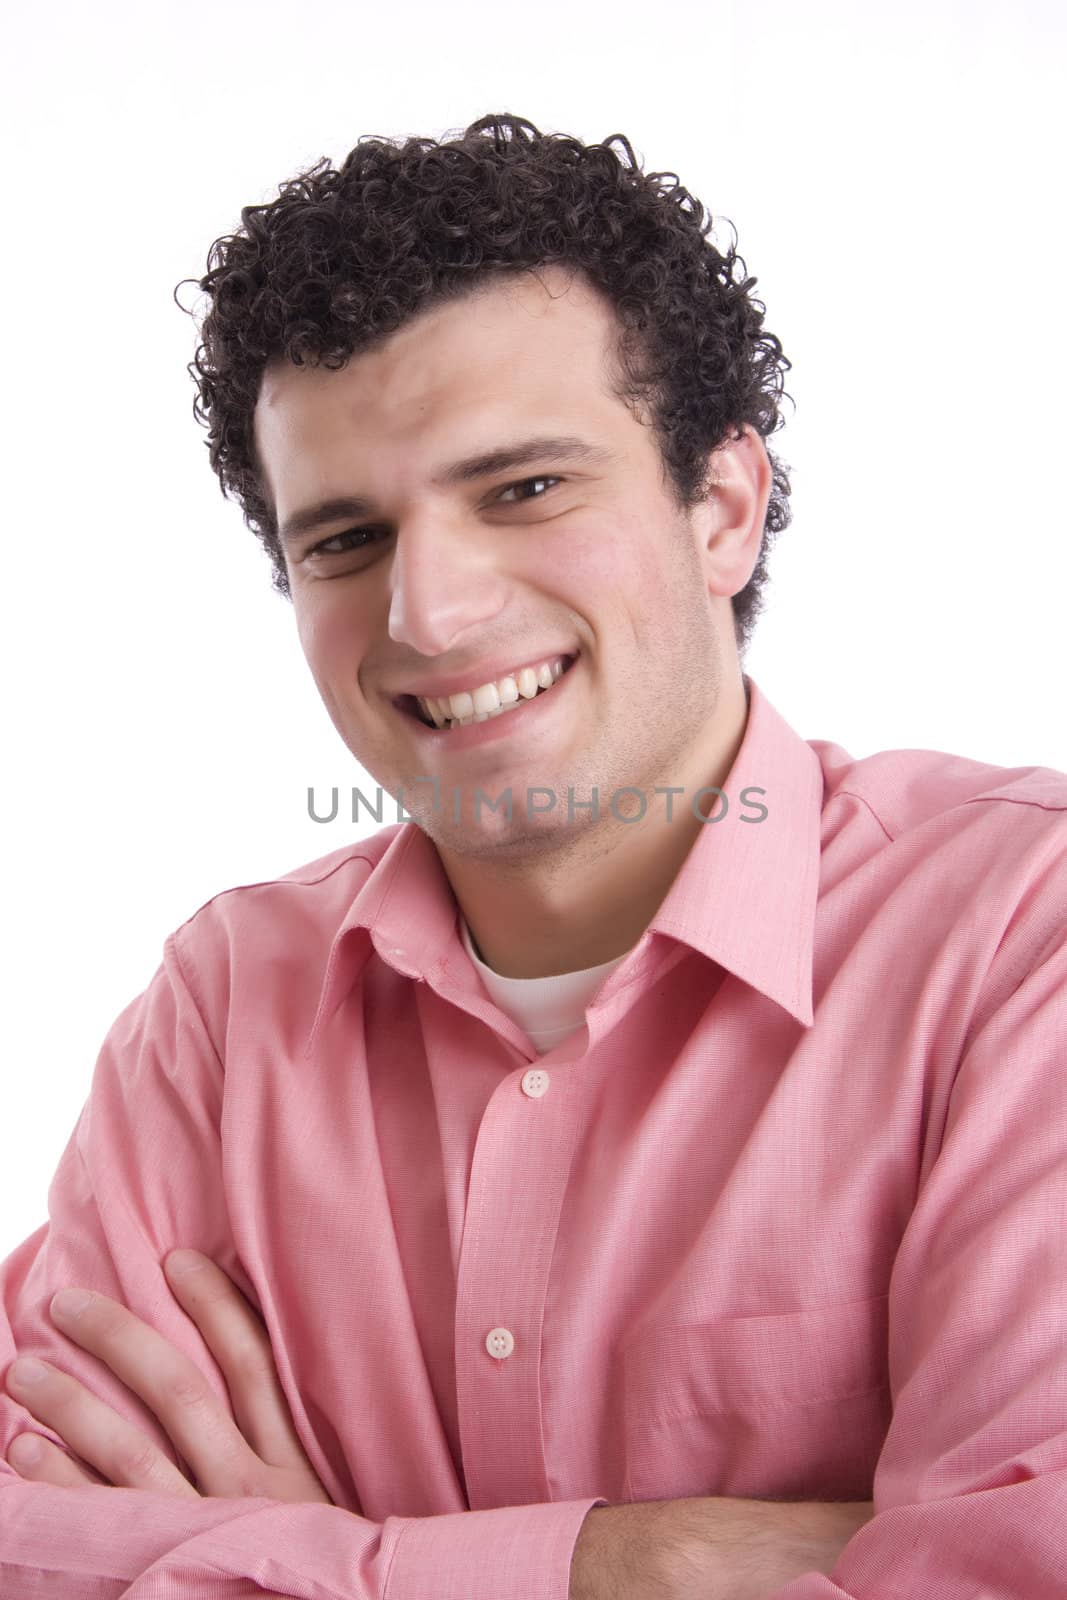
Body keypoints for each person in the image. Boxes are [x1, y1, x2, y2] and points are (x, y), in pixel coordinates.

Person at [1, 111, 1065, 1600]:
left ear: (722, 507)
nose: (428, 614)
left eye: (524, 490)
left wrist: (318, 1564)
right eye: (346, 540)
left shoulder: (1026, 938)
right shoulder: (220, 1011)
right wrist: (638, 1560)